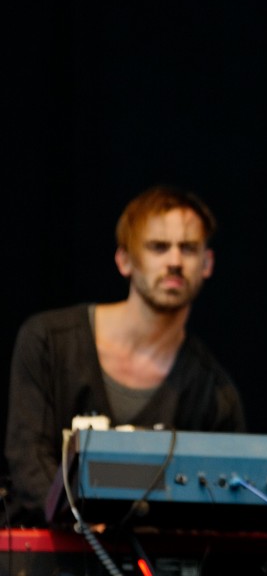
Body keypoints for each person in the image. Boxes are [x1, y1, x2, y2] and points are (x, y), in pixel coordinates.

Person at [4, 186, 246, 527]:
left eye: (188, 248)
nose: (175, 261)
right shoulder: (49, 341)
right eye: (158, 247)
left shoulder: (214, 392)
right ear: (124, 260)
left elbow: (221, 506)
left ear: (207, 263)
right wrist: (88, 527)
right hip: (51, 545)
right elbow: (27, 457)